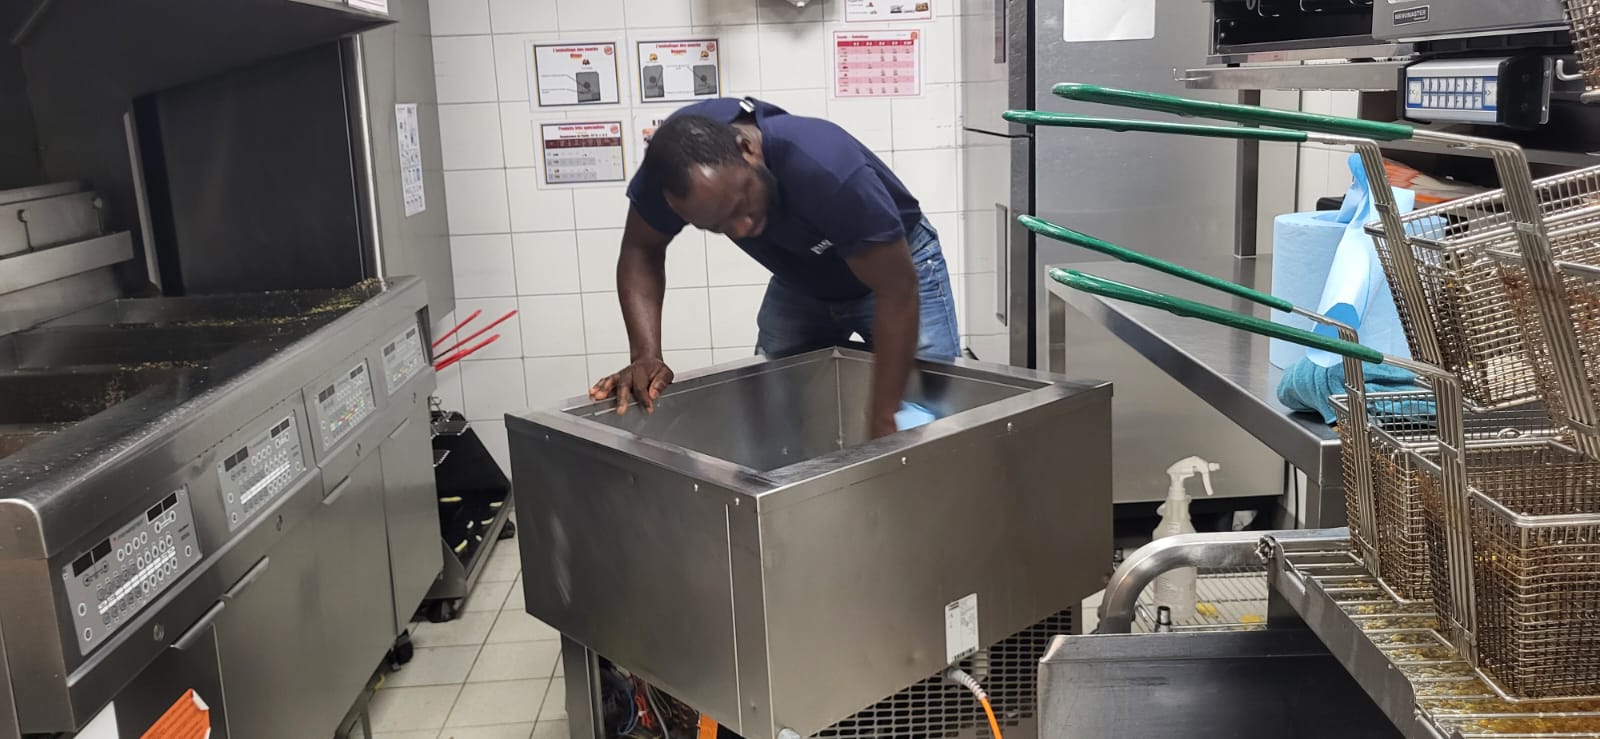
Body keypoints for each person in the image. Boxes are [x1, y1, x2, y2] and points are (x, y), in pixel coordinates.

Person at [588, 97, 960, 438]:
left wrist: (882, 416)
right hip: (802, 276)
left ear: (747, 149)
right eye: (718, 226)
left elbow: (896, 290)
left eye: (741, 205)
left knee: (928, 410)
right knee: (773, 412)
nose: (742, 229)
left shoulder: (824, 165)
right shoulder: (668, 174)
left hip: (897, 268)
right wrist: (645, 354)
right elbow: (641, 250)